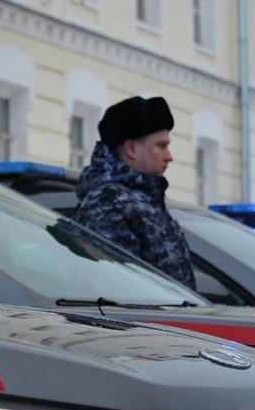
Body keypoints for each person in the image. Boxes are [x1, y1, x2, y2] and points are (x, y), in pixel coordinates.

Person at [72, 95, 196, 290]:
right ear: (131, 148)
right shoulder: (108, 204)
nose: (169, 157)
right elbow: (118, 290)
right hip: (145, 321)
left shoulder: (145, 200)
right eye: (161, 146)